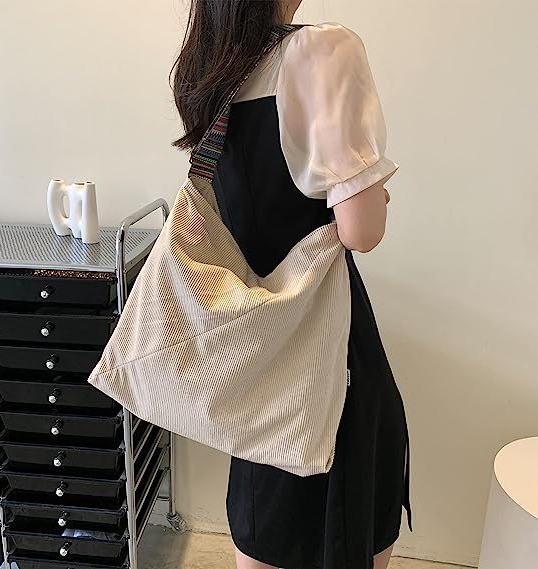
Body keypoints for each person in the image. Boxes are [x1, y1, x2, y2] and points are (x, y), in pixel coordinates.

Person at [171, 1, 413, 568]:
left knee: (265, 526)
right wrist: (375, 197)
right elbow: (361, 231)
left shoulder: (212, 69)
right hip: (332, 357)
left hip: (262, 362)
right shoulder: (322, 49)